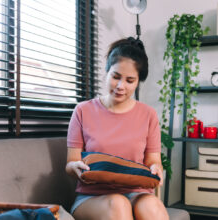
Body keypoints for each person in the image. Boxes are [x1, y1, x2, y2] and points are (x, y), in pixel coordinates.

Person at [65, 37, 169, 220]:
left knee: (153, 207)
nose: (121, 86)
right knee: (118, 204)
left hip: (138, 193)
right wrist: (75, 166)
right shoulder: (83, 111)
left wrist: (156, 168)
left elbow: (154, 160)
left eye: (130, 80)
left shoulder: (148, 115)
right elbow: (70, 163)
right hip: (93, 197)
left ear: (138, 82)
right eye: (116, 77)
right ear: (107, 72)